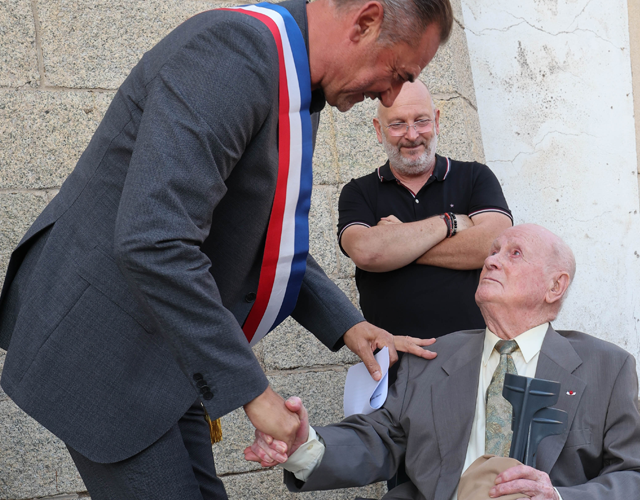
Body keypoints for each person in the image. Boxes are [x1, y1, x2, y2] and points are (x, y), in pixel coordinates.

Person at [0, 0, 453, 498]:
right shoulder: (234, 55)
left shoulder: (291, 77)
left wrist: (349, 325)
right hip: (105, 349)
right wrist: (253, 393)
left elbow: (264, 232)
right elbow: (156, 241)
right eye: (396, 72)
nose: (390, 94)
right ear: (364, 22)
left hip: (159, 349)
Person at [247, 224, 640, 500]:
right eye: (493, 250)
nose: (491, 260)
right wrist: (304, 444)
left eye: (515, 253)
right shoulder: (433, 356)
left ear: (555, 286)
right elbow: (378, 439)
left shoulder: (604, 367)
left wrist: (558, 496)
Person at [337, 79, 512, 341]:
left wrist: (396, 247)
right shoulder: (358, 192)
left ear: (437, 121)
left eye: (421, 120)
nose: (412, 134)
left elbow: (494, 244)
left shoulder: (475, 177)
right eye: (397, 124)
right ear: (378, 129)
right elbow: (367, 252)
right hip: (394, 358)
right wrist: (448, 223)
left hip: (474, 355)